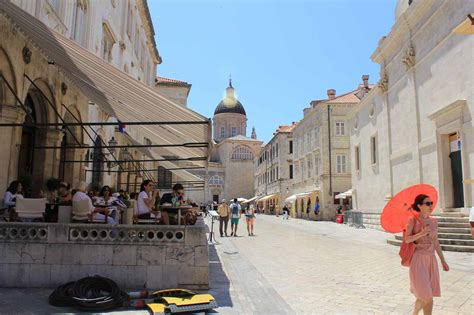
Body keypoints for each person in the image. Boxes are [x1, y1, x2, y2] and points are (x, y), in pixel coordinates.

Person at [405, 194, 449, 315]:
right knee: (426, 295)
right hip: (418, 260)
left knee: (428, 296)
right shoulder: (412, 220)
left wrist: (443, 261)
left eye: (431, 203)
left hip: (431, 260)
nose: (431, 206)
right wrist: (421, 233)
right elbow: (407, 239)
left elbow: (436, 242)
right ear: (419, 206)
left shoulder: (434, 222)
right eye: (427, 203)